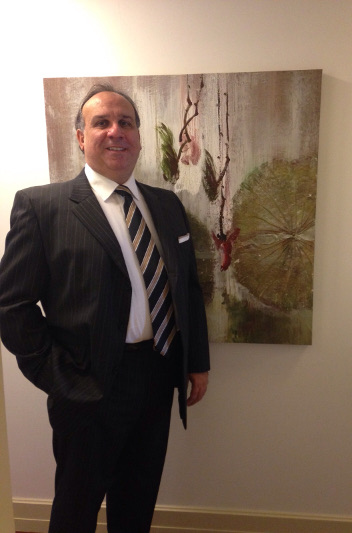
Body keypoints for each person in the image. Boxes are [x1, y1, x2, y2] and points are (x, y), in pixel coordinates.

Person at [0, 83, 210, 533]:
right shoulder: (42, 206)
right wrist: (58, 378)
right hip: (86, 385)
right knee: (75, 511)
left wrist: (196, 363)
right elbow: (12, 306)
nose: (116, 131)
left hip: (157, 376)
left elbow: (188, 289)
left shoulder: (166, 205)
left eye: (126, 122)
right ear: (81, 137)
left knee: (136, 507)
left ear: (138, 137)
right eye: (102, 123)